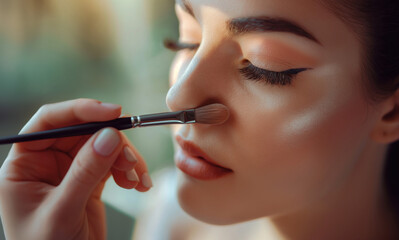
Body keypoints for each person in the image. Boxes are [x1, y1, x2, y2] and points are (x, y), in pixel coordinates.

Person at [1, 0, 399, 239]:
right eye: (187, 39)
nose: (179, 94)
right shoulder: (170, 222)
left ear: (393, 109)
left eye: (264, 67)